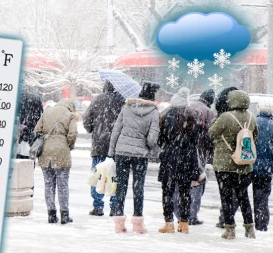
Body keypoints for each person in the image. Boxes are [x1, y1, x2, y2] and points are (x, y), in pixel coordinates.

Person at [108, 82, 160, 233]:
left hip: (122, 152)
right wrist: (148, 147)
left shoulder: (126, 107)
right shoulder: (154, 112)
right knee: (138, 187)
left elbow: (116, 130)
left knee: (121, 186)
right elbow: (152, 139)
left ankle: (119, 222)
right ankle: (137, 224)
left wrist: (111, 151)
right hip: (140, 155)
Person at [209, 89, 258, 240]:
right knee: (243, 197)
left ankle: (230, 229)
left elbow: (211, 133)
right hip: (244, 163)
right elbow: (255, 136)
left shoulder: (225, 117)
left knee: (226, 197)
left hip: (225, 164)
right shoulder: (251, 117)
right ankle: (250, 229)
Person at [157, 87, 200, 234]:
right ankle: (184, 223)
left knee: (168, 191)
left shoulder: (167, 116)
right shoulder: (192, 117)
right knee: (185, 192)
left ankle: (169, 223)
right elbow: (196, 140)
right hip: (187, 158)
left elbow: (160, 139)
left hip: (170, 157)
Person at [173, 89, 215, 226]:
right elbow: (210, 134)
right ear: (210, 100)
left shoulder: (189, 107)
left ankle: (179, 212)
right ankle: (192, 214)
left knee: (181, 181)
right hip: (200, 151)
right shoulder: (209, 112)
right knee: (198, 181)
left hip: (184, 150)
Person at [83, 81, 125, 216]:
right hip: (116, 145)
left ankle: (98, 206)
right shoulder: (122, 101)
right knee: (115, 176)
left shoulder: (97, 100)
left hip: (99, 144)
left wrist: (93, 129)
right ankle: (114, 206)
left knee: (97, 174)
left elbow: (86, 120)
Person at [34, 98, 78, 224]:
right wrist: (69, 145)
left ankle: (51, 214)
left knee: (49, 184)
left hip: (45, 153)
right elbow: (73, 133)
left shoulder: (47, 112)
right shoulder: (70, 115)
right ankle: (64, 214)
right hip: (61, 152)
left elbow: (37, 130)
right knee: (63, 185)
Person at [252, 98, 273, 232]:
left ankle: (226, 220)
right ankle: (261, 225)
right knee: (262, 199)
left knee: (238, 195)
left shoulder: (251, 123)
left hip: (247, 165)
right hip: (265, 169)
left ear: (258, 109)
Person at [214, 87, 240, 229]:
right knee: (236, 191)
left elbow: (211, 134)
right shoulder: (242, 116)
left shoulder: (220, 117)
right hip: (238, 158)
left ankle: (224, 217)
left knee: (225, 191)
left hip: (222, 160)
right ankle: (227, 218)